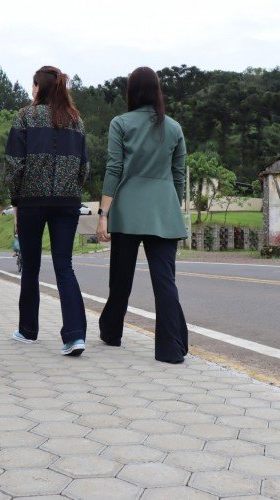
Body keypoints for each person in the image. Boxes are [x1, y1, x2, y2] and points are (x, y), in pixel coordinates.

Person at [96, 67, 189, 364]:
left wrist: (103, 213)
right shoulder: (173, 128)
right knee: (165, 281)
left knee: (120, 278)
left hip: (127, 211)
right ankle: (171, 348)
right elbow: (178, 177)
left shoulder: (120, 123)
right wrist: (173, 208)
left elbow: (114, 169)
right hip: (164, 211)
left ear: (131, 92)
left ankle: (112, 332)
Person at [5, 66, 89, 356]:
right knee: (64, 265)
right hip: (67, 201)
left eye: (33, 85)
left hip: (31, 200)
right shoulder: (76, 121)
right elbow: (84, 167)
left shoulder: (25, 117)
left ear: (39, 87)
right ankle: (75, 335)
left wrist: (16, 199)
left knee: (31, 265)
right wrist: (71, 191)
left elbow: (14, 164)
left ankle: (28, 330)